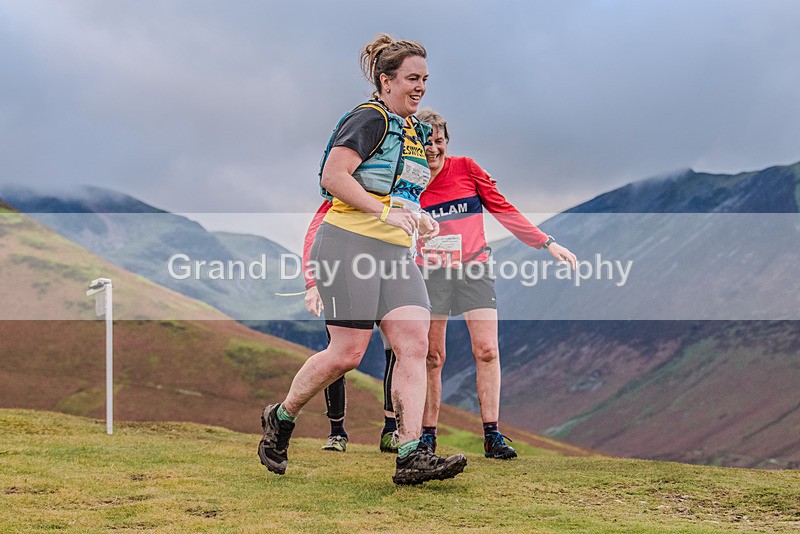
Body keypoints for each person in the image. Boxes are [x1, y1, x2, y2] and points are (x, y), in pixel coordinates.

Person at [258, 35, 467, 485]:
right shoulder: (368, 118)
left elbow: (398, 193)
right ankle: (281, 416)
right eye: (412, 78)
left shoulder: (411, 128)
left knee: (415, 345)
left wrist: (418, 218)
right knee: (346, 355)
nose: (421, 87)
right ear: (385, 80)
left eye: (425, 79)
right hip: (348, 244)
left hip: (394, 254)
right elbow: (334, 177)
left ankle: (411, 452)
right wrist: (385, 211)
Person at [414, 108, 577, 459]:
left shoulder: (467, 169)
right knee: (432, 356)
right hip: (430, 273)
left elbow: (502, 209)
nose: (433, 148)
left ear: (447, 142)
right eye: (426, 141)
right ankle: (427, 436)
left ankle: (492, 435)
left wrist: (547, 243)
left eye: (439, 141)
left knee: (487, 350)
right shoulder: (408, 180)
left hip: (474, 267)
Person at [301, 200, 399, 453]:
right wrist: (312, 282)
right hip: (346, 279)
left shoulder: (399, 190)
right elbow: (314, 235)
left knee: (397, 349)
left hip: (390, 275)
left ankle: (391, 430)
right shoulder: (340, 195)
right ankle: (336, 432)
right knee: (339, 354)